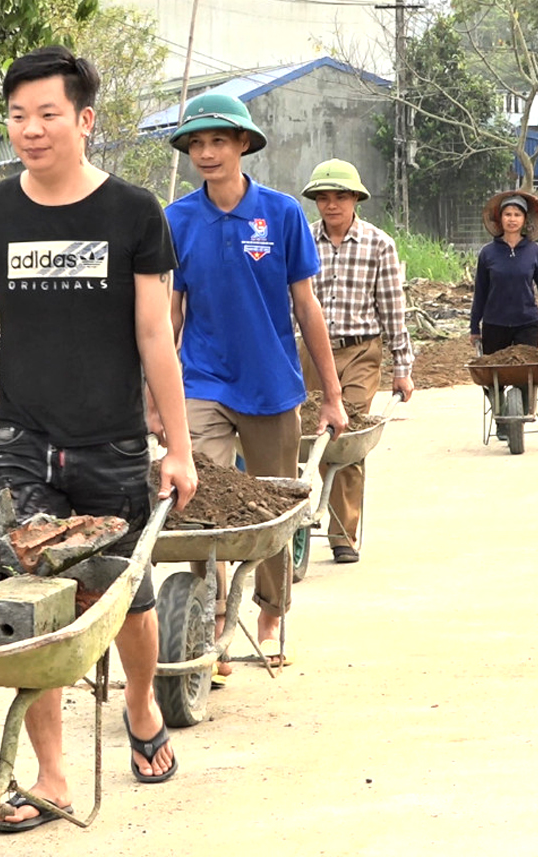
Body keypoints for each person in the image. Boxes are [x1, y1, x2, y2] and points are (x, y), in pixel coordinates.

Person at [0, 46, 198, 831]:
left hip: (113, 444)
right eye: (18, 116)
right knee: (29, 607)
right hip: (23, 442)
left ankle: (141, 706)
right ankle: (52, 775)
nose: (30, 130)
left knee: (129, 603)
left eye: (47, 114)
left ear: (84, 119)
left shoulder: (134, 214)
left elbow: (156, 336)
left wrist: (176, 447)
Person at [164, 92, 348, 671]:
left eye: (218, 140)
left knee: (269, 510)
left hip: (271, 385)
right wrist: (153, 394)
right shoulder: (177, 220)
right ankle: (210, 618)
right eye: (196, 143)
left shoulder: (284, 214)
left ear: (244, 144)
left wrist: (333, 394)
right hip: (202, 381)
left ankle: (271, 610)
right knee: (202, 505)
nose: (206, 152)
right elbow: (169, 313)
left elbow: (306, 306)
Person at [298, 158, 414, 564]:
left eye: (340, 197)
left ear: (355, 200)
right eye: (324, 198)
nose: (332, 205)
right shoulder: (302, 240)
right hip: (312, 351)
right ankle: (296, 522)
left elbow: (392, 308)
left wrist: (403, 367)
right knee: (307, 437)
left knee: (345, 438)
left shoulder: (378, 244)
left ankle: (342, 533)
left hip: (361, 349)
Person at [471, 190, 538, 357]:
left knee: (525, 377)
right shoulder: (488, 253)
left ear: (524, 219)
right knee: (494, 378)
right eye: (507, 214)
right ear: (500, 218)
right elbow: (480, 293)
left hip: (527, 324)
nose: (512, 219)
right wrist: (474, 327)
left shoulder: (535, 252)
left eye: (517, 215)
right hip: (494, 325)